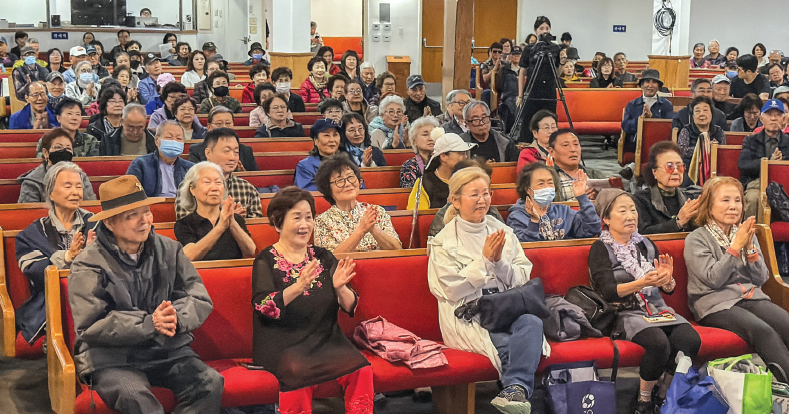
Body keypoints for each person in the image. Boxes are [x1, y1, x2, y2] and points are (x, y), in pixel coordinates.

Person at [69, 174, 223, 414]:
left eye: (147, 212)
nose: (144, 221)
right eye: (132, 215)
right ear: (109, 223)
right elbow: (91, 324)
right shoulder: (87, 264)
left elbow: (198, 297)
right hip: (113, 358)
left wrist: (176, 318)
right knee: (135, 397)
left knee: (210, 383)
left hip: (167, 350)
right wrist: (149, 323)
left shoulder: (170, 249)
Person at [428, 166, 545, 414]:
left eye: (486, 193)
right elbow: (449, 290)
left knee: (532, 323)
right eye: (474, 194)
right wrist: (484, 262)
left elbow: (521, 277)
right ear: (455, 201)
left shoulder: (502, 231)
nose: (482, 200)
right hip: (470, 314)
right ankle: (516, 393)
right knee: (508, 346)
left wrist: (499, 262)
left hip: (506, 306)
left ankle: (514, 392)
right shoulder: (443, 241)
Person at [252, 186, 372, 413]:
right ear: (278, 223)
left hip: (325, 338)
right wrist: (297, 287)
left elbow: (350, 305)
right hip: (282, 342)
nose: (304, 224)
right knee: (297, 371)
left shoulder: (323, 256)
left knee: (361, 369)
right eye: (297, 218)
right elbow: (264, 306)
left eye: (309, 217)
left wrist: (339, 288)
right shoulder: (265, 260)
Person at [590, 189, 700, 414]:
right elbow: (608, 292)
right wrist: (640, 283)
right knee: (659, 344)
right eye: (623, 211)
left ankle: (665, 393)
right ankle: (643, 400)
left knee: (690, 339)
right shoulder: (600, 248)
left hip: (657, 308)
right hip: (623, 313)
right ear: (607, 219)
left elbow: (668, 289)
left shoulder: (646, 244)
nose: (631, 215)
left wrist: (667, 280)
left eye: (633, 210)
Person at [684, 176, 789, 384]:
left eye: (737, 200)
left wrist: (749, 248)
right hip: (714, 304)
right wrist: (734, 248)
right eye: (725, 200)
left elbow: (760, 278)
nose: (733, 206)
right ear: (709, 205)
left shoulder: (744, 233)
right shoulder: (696, 238)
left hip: (750, 297)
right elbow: (713, 280)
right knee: (763, 331)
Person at [15, 161, 97, 345]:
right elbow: (34, 272)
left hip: (96, 298)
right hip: (51, 304)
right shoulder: (30, 234)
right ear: (51, 192)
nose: (75, 191)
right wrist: (68, 257)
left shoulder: (97, 224)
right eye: (68, 186)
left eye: (79, 186)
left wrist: (95, 254)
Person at [314, 154, 402, 253]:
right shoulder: (322, 222)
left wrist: (374, 229)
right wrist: (361, 230)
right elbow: (329, 260)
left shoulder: (376, 211)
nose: (347, 184)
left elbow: (397, 250)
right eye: (339, 180)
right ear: (328, 189)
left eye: (351, 177)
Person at [174, 162, 255, 261]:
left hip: (233, 274)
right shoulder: (185, 224)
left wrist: (232, 222)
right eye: (207, 182)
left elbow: (250, 251)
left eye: (218, 182)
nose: (214, 188)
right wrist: (220, 226)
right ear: (192, 190)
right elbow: (190, 256)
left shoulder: (235, 219)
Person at [177, 129, 264, 222]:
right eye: (226, 151)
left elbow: (256, 229)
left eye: (236, 152)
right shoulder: (191, 187)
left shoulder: (247, 188)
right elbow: (185, 227)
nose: (232, 158)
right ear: (208, 153)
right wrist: (228, 220)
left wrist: (238, 222)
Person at [508, 162, 600, 242]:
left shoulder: (564, 211)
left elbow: (592, 229)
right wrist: (534, 222)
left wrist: (582, 197)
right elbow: (525, 248)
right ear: (528, 189)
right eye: (541, 183)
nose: (547, 187)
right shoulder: (516, 217)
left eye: (550, 183)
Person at [634, 141, 699, 235]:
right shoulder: (640, 200)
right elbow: (642, 233)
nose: (676, 171)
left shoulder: (691, 197)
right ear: (654, 172)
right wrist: (677, 223)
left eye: (679, 166)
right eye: (669, 167)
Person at [739, 99, 789, 218]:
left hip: (783, 188)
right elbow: (743, 165)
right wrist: (768, 162)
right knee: (752, 198)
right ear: (761, 119)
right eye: (769, 114)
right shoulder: (751, 140)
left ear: (783, 119)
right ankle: (750, 235)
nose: (773, 118)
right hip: (757, 185)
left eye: (778, 115)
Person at [20, 127, 96, 203]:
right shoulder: (32, 182)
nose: (64, 151)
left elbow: (89, 205)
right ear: (46, 153)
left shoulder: (81, 176)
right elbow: (30, 212)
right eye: (58, 147)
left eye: (68, 148)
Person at [517, 16, 562, 143]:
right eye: (541, 28)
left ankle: (549, 146)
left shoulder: (555, 49)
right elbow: (522, 71)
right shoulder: (529, 49)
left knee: (549, 120)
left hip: (549, 91)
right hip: (532, 90)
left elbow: (557, 72)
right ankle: (525, 147)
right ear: (535, 30)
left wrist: (563, 62)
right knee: (528, 120)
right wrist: (520, 95)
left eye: (547, 28)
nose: (544, 31)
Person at [407, 131, 474, 210]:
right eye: (460, 153)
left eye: (465, 153)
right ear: (443, 156)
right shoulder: (425, 183)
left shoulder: (470, 179)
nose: (465, 157)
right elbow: (422, 217)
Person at [127, 121, 194, 197]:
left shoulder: (191, 169)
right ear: (156, 141)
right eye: (169, 137)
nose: (174, 141)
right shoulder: (141, 164)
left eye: (179, 138)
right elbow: (130, 195)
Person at [189, 107, 259, 172]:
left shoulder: (246, 150)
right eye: (219, 123)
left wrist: (243, 174)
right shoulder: (196, 150)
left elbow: (254, 177)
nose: (224, 127)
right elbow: (196, 175)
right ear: (209, 126)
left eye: (228, 123)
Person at [622, 69, 675, 152]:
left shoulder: (666, 104)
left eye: (654, 82)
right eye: (647, 81)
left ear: (658, 86)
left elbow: (669, 127)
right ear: (642, 85)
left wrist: (652, 118)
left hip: (659, 144)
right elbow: (626, 126)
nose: (650, 85)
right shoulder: (632, 104)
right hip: (636, 144)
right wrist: (640, 119)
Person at [677, 96, 727, 174]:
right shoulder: (686, 130)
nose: (702, 114)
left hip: (714, 168)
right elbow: (682, 150)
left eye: (706, 110)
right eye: (697, 111)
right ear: (692, 116)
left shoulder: (719, 131)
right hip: (689, 169)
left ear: (711, 114)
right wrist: (705, 148)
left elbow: (722, 151)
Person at [33, 99, 99, 158]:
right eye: (69, 113)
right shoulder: (47, 140)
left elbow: (92, 167)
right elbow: (42, 165)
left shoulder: (90, 141)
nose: (74, 118)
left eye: (78, 114)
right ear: (58, 118)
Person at [550, 129, 603, 202]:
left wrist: (600, 198)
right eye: (565, 145)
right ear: (552, 152)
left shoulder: (596, 174)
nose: (573, 149)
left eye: (576, 145)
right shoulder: (548, 178)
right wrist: (576, 203)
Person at [295, 119, 342, 191]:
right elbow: (307, 191)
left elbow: (359, 186)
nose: (332, 140)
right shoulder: (305, 166)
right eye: (326, 135)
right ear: (316, 141)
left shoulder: (347, 163)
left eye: (335, 135)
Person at [400, 117, 438, 188]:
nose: (431, 138)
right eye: (425, 135)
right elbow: (409, 193)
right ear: (414, 141)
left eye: (433, 134)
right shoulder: (409, 166)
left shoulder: (444, 162)